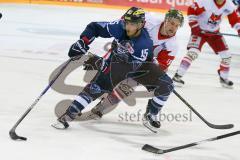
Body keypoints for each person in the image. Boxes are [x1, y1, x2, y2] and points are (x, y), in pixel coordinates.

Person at [52, 7, 174, 131]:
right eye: (127, 22)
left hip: (141, 66)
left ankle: (151, 114)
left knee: (166, 85)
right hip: (120, 59)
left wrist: (102, 64)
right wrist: (83, 42)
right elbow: (95, 27)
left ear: (141, 24)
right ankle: (68, 115)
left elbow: (128, 70)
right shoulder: (120, 26)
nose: (128, 27)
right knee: (97, 87)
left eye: (132, 24)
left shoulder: (143, 44)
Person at [172, 0, 240, 88]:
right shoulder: (205, 2)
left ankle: (224, 78)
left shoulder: (229, 5)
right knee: (193, 53)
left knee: (226, 56)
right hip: (200, 32)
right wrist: (195, 27)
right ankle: (177, 76)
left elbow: (235, 20)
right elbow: (191, 11)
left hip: (215, 34)